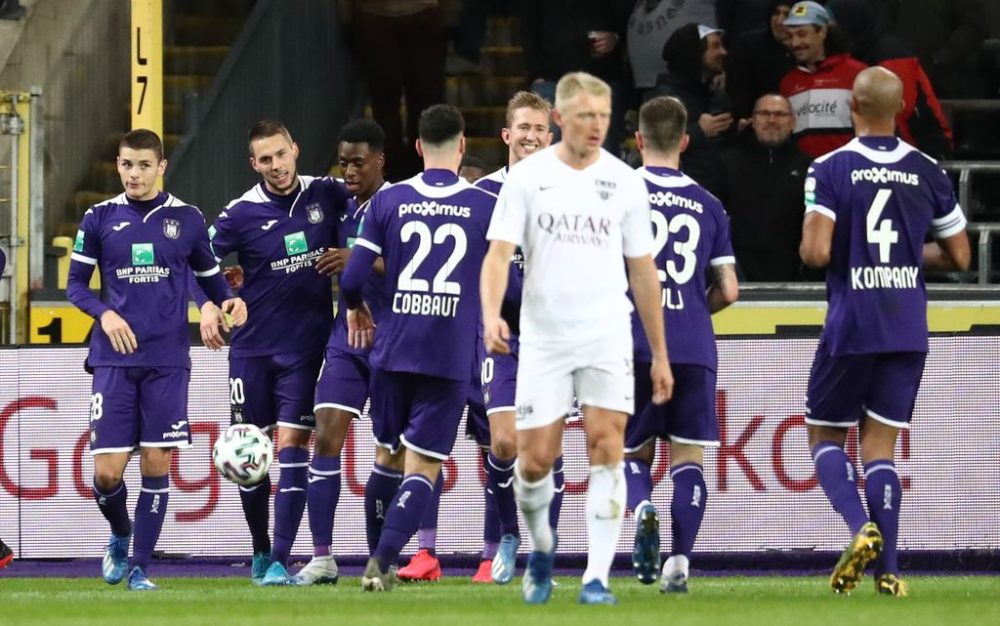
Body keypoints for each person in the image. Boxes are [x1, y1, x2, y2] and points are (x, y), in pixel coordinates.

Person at [481, 72, 673, 606]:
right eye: (586, 116)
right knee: (534, 459)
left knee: (607, 448)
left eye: (605, 117)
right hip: (543, 338)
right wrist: (491, 313)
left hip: (607, 334)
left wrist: (658, 352)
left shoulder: (626, 181)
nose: (597, 126)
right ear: (562, 120)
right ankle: (541, 548)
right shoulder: (527, 180)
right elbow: (498, 254)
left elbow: (643, 272)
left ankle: (596, 578)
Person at [799, 66, 970, 597]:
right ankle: (890, 572)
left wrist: (853, 249)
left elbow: (816, 251)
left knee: (825, 434)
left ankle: (859, 527)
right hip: (906, 325)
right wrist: (900, 255)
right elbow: (961, 255)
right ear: (898, 110)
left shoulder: (828, 167)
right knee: (880, 448)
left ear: (853, 104)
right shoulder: (928, 169)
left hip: (853, 321)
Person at [66, 129, 247, 591]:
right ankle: (121, 534)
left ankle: (140, 568)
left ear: (161, 166)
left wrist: (228, 302)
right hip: (113, 361)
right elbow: (75, 288)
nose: (134, 174)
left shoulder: (185, 219)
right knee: (106, 473)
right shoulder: (98, 218)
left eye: (144, 165)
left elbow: (210, 279)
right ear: (119, 165)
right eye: (127, 165)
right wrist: (104, 314)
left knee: (155, 464)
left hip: (167, 360)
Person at [400, 91, 561, 585]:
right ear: (507, 135)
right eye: (523, 128)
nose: (532, 136)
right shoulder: (482, 195)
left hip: (553, 339)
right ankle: (501, 539)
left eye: (540, 128)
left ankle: (540, 561)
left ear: (550, 137)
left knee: (547, 452)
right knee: (502, 441)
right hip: (495, 337)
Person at [339, 104, 497, 592]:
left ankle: (376, 555)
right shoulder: (485, 206)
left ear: (417, 147)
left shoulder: (389, 202)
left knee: (386, 456)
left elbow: (351, 278)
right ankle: (382, 560)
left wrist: (357, 308)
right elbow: (505, 284)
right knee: (424, 464)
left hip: (395, 347)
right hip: (448, 354)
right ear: (463, 145)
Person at [206, 120, 351, 586]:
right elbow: (197, 259)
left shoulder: (326, 194)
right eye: (265, 160)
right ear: (254, 164)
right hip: (250, 352)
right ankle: (261, 550)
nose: (275, 166)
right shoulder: (238, 213)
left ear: (295, 150)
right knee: (249, 457)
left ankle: (280, 561)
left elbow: (373, 206)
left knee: (292, 446)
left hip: (305, 350)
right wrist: (211, 301)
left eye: (281, 155)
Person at [624, 96, 739, 594]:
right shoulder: (710, 204)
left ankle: (643, 506)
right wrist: (691, 307)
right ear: (686, 142)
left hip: (630, 341)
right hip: (693, 344)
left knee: (631, 453)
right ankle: (680, 563)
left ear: (638, 140)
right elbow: (730, 289)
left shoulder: (616, 194)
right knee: (689, 458)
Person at [289, 119, 393, 586]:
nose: (348, 170)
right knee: (326, 438)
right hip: (347, 340)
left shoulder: (399, 204)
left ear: (379, 161)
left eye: (358, 161)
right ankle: (323, 557)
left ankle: (386, 558)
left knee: (392, 454)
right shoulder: (341, 206)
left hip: (395, 341)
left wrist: (359, 259)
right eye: (343, 161)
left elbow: (414, 265)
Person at [828, 0, 953, 159]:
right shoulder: (856, 49)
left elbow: (899, 108)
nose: (828, 28)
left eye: (832, 22)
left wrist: (893, 156)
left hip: (920, 149)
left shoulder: (890, 52)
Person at [717, 94, 813, 281]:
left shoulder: (810, 167)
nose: (771, 120)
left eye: (779, 114)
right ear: (752, 120)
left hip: (795, 277)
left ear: (793, 122)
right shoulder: (727, 163)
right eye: (764, 113)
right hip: (740, 276)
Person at [648, 23, 733, 194]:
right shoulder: (665, 97)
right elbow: (658, 147)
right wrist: (699, 131)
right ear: (694, 53)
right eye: (715, 46)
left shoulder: (714, 93)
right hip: (681, 199)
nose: (724, 52)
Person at [779, 1, 866, 158]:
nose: (794, 43)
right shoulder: (788, 82)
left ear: (822, 32)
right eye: (790, 36)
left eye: (802, 34)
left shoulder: (857, 73)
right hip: (804, 175)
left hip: (847, 170)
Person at [726, 1, 796, 119]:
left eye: (787, 15)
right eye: (776, 13)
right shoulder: (747, 47)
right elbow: (739, 92)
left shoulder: (806, 50)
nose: (779, 21)